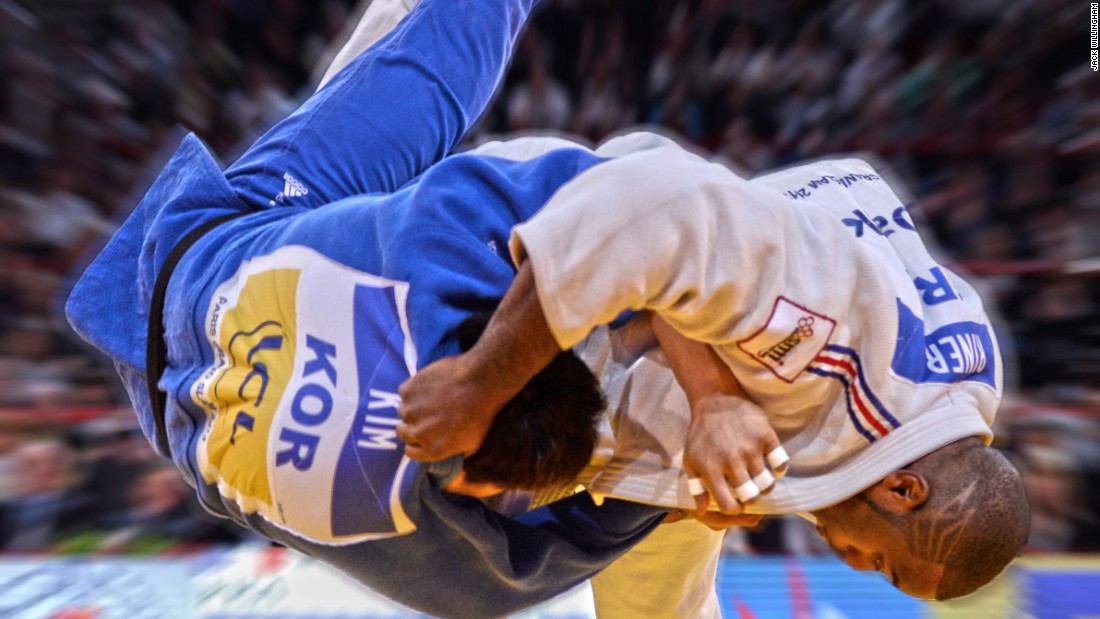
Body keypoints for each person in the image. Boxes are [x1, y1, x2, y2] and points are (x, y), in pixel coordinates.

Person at [65, 1, 675, 616]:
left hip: (199, 269)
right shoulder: (413, 536)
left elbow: (624, 208)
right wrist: (657, 495)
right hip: (186, 396)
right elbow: (543, 560)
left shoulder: (438, 247)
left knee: (433, 76)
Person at [395, 142, 1032, 602]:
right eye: (883, 565)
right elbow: (649, 198)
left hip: (688, 297)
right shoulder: (833, 353)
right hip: (527, 251)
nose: (858, 566)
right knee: (455, 529)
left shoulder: (961, 405)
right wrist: (714, 401)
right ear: (903, 491)